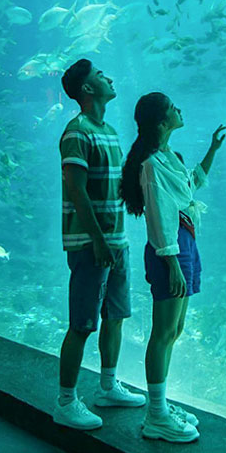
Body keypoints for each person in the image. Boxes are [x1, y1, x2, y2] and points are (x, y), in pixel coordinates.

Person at [121, 92, 226, 443]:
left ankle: (161, 406)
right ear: (161, 120)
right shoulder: (151, 165)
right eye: (172, 108)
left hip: (185, 241)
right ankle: (155, 415)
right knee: (162, 331)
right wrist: (172, 263)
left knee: (175, 329)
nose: (178, 109)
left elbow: (190, 185)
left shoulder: (169, 157)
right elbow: (159, 216)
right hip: (170, 247)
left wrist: (212, 150)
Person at [54, 59, 145, 429]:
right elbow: (76, 190)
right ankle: (65, 401)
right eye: (99, 75)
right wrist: (97, 240)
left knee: (115, 316)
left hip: (116, 241)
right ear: (88, 88)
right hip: (90, 243)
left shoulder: (108, 131)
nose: (108, 77)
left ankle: (108, 386)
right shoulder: (76, 132)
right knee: (82, 323)